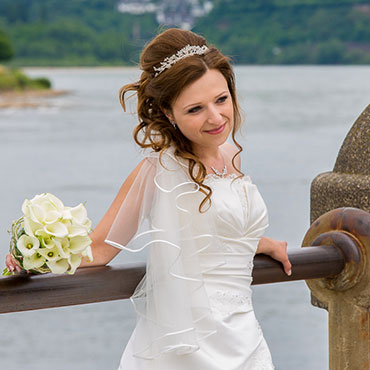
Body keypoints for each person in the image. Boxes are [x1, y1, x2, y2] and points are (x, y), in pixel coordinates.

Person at [6, 28, 291, 369]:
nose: (215, 118)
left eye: (221, 99)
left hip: (244, 334)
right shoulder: (158, 171)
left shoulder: (230, 156)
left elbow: (212, 231)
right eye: (195, 109)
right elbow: (100, 249)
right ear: (169, 113)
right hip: (187, 345)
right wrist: (35, 255)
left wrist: (256, 242)